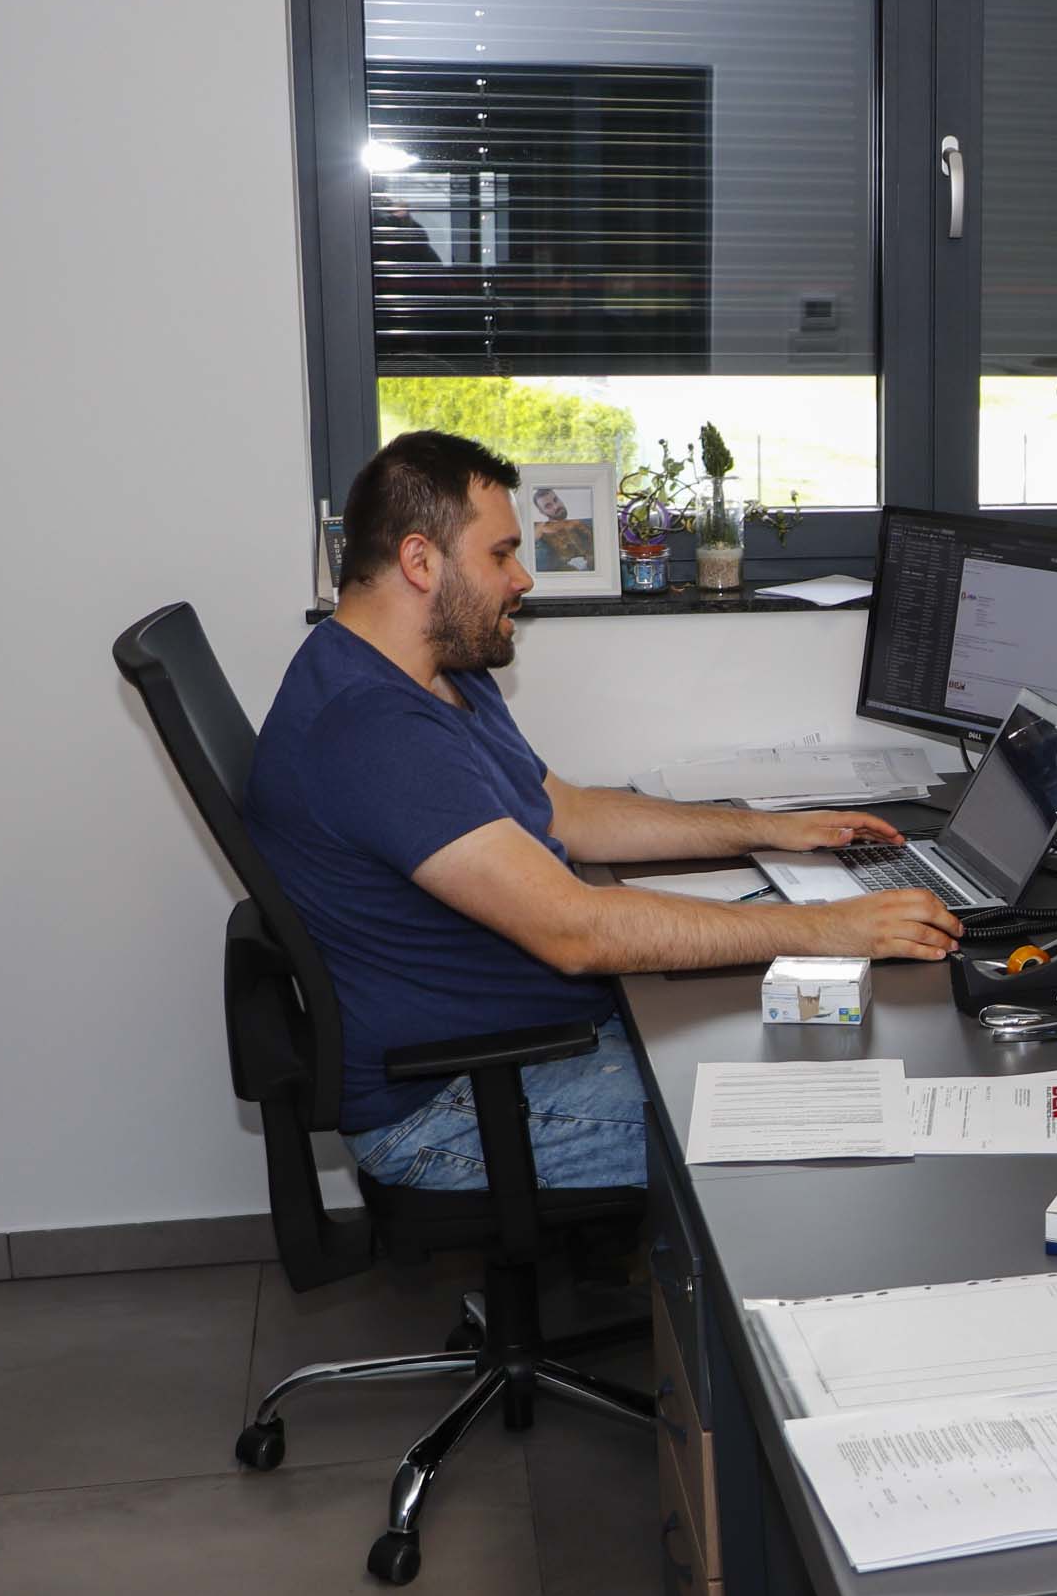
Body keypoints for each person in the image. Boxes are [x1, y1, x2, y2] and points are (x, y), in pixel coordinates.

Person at [245, 430, 960, 1191]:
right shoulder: (371, 727)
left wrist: (770, 828)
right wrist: (823, 929)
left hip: (538, 1038)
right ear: (420, 561)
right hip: (457, 1102)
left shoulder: (434, 668)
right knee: (824, 1114)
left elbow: (567, 812)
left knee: (800, 1046)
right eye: (501, 554)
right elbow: (576, 931)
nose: (522, 577)